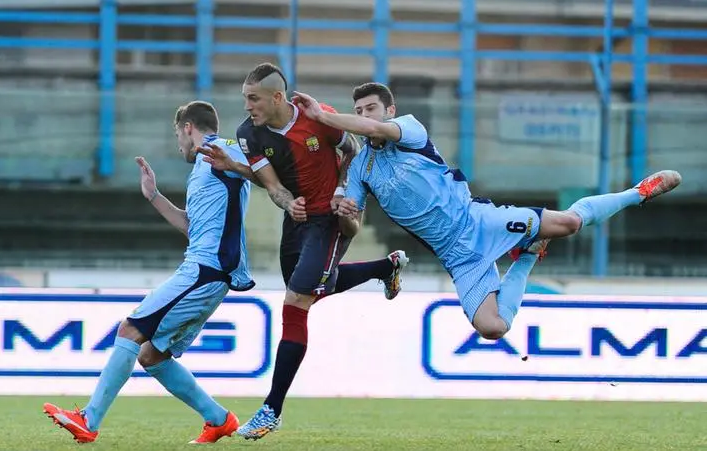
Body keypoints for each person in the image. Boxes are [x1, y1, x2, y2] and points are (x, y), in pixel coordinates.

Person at [292, 83, 682, 340]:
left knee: (569, 222)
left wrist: (323, 116)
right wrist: (343, 211)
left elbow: (378, 131)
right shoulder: (360, 169)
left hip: (477, 220)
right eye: (358, 111)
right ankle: (527, 256)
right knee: (494, 328)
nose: (365, 116)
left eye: (371, 109)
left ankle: (637, 193)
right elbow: (352, 226)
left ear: (389, 110)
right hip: (457, 257)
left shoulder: (408, 129)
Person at [199, 63, 408, 440]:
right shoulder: (248, 133)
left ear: (277, 97)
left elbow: (354, 153)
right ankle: (385, 268)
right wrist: (287, 202)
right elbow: (273, 185)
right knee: (309, 288)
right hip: (297, 219)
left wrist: (343, 193)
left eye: (253, 98)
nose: (247, 106)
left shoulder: (318, 118)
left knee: (297, 300)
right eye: (245, 98)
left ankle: (271, 410)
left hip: (331, 217)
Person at [44, 100, 252, 445]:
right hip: (207, 269)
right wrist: (154, 195)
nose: (178, 145)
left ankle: (89, 420)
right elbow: (192, 227)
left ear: (188, 128)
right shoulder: (205, 167)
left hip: (206, 269)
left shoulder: (223, 150)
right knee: (151, 355)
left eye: (177, 135)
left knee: (130, 330)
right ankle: (219, 419)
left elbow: (261, 169)